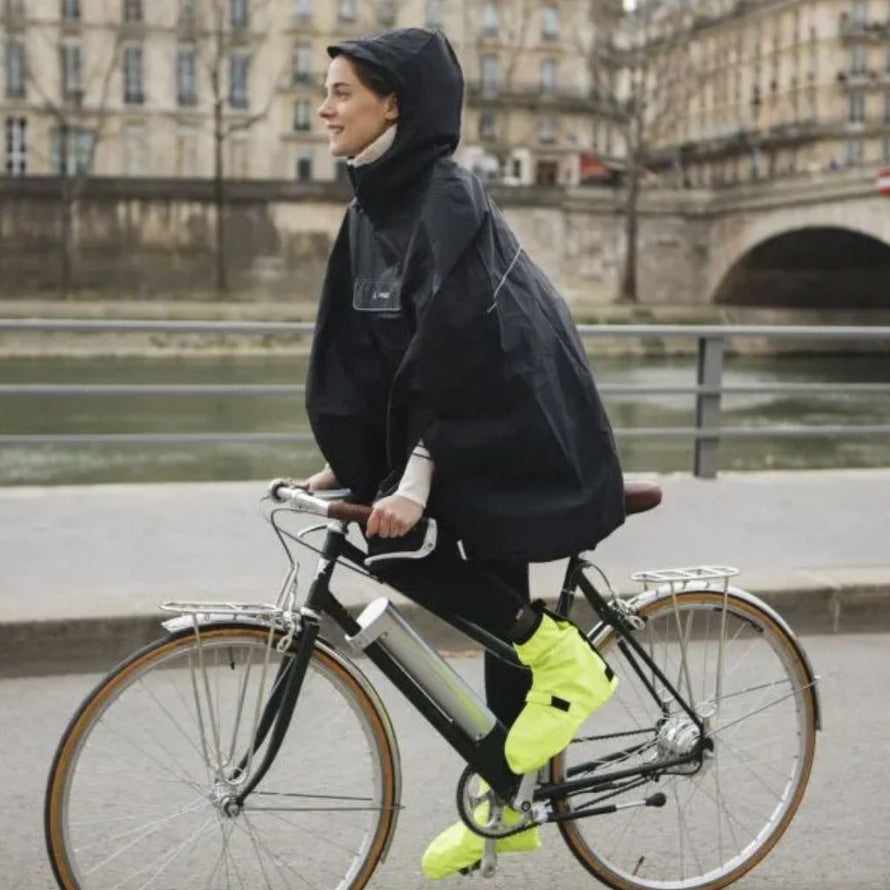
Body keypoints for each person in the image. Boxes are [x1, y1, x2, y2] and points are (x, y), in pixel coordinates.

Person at [304, 28, 625, 879]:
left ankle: (567, 660)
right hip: (463, 429)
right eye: (326, 91)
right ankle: (506, 810)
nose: (324, 108)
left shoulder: (447, 196)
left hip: (521, 422)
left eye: (341, 91)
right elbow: (368, 350)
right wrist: (349, 459)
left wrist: (411, 479)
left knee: (396, 546)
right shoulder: (369, 208)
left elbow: (458, 343)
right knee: (492, 609)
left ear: (393, 105)